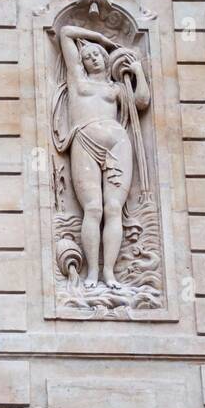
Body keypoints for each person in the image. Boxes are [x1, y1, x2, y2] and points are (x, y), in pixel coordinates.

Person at [54, 24, 150, 288]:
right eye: (87, 56)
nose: (92, 57)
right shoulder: (77, 80)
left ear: (105, 58)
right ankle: (93, 273)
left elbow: (142, 101)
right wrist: (100, 38)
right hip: (84, 140)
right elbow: (65, 32)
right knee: (93, 208)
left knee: (113, 208)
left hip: (118, 144)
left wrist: (138, 71)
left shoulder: (117, 89)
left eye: (97, 53)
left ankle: (109, 272)